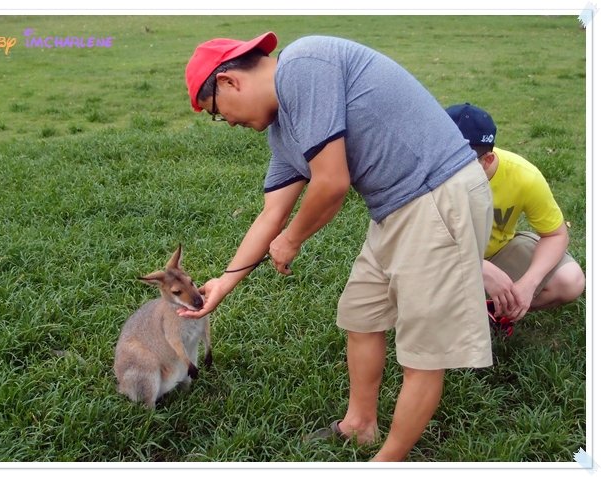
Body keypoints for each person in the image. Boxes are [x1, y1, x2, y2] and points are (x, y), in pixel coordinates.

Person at [181, 32, 494, 462]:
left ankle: (387, 461)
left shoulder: (304, 64)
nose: (228, 123)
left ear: (230, 82)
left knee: (423, 351)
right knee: (361, 315)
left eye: (217, 113)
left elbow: (331, 184)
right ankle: (359, 425)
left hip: (438, 195)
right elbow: (271, 214)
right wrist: (225, 283)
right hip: (396, 209)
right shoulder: (283, 129)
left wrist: (291, 241)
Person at [446, 103, 585, 322]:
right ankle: (460, 312)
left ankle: (492, 312)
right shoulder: (425, 168)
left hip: (497, 250)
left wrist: (527, 284)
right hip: (441, 252)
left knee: (570, 280)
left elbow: (556, 235)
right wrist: (479, 266)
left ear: (487, 160)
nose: (448, 168)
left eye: (461, 162)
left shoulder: (523, 176)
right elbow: (411, 237)